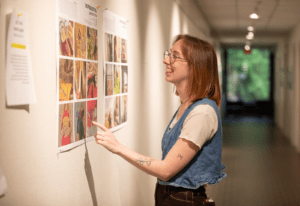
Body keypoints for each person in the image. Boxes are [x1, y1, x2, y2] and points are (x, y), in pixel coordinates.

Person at [93, 34, 226, 205]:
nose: (166, 61)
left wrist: (118, 148)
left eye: (175, 56)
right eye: (168, 54)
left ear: (195, 66)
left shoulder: (202, 113)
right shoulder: (187, 105)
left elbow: (165, 170)